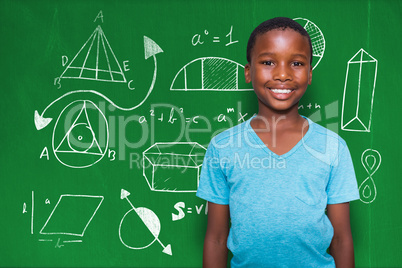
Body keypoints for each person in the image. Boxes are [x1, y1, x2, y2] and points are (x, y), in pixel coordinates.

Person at [196, 17, 360, 268]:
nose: (282, 74)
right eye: (268, 62)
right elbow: (216, 238)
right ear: (248, 72)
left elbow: (341, 239)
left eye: (296, 63)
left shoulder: (333, 147)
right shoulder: (223, 147)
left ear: (309, 74)